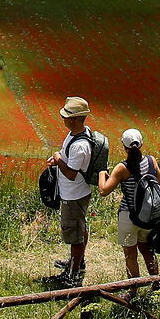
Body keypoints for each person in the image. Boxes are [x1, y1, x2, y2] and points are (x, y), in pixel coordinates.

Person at [44, 96, 103, 287]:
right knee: (80, 229)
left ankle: (73, 275)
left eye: (66, 116)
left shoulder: (80, 145)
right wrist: (59, 158)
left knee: (75, 235)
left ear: (75, 119)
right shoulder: (77, 134)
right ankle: (77, 262)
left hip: (74, 194)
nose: (63, 119)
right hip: (74, 193)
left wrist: (58, 158)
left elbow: (70, 173)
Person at [95, 128, 160, 283]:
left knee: (130, 255)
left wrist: (101, 174)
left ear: (123, 146)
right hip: (148, 215)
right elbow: (159, 186)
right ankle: (157, 285)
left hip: (128, 216)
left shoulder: (122, 168)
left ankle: (133, 290)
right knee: (148, 250)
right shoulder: (152, 161)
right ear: (141, 144)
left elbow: (103, 190)